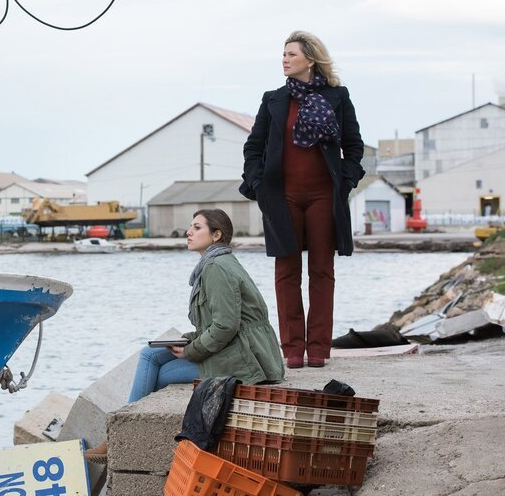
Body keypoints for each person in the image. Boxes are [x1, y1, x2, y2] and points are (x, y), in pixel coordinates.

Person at [85, 209, 284, 462]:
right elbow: (220, 323)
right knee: (150, 354)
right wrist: (190, 339)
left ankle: (117, 436)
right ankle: (118, 433)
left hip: (243, 359)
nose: (189, 232)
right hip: (237, 349)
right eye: (190, 227)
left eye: (197, 227)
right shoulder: (216, 263)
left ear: (216, 235)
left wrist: (192, 350)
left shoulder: (216, 268)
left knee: (159, 376)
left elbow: (225, 327)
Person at [239, 30, 365, 369]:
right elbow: (254, 147)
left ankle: (319, 350)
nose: (284, 59)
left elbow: (354, 147)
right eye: (283, 54)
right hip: (283, 197)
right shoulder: (273, 100)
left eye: (291, 54)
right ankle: (292, 349)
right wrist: (257, 182)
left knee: (322, 271)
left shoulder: (337, 97)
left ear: (310, 59)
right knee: (286, 271)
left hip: (325, 196)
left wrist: (347, 180)